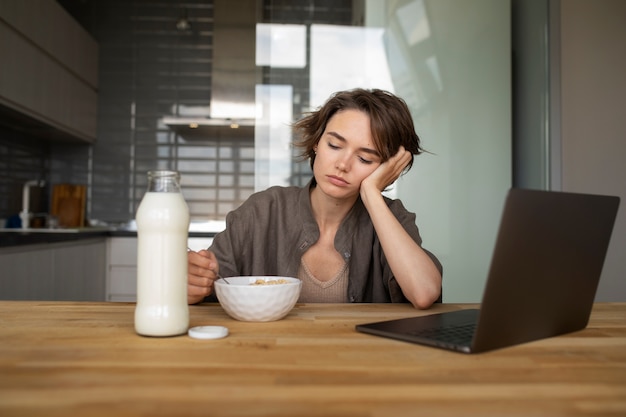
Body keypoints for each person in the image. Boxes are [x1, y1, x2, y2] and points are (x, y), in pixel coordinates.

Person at [187, 88, 442, 309]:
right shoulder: (263, 210)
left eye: (365, 158)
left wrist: (372, 194)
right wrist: (192, 283)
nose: (343, 164)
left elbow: (424, 294)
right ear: (317, 143)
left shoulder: (392, 218)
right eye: (334, 145)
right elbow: (205, 285)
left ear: (387, 168)